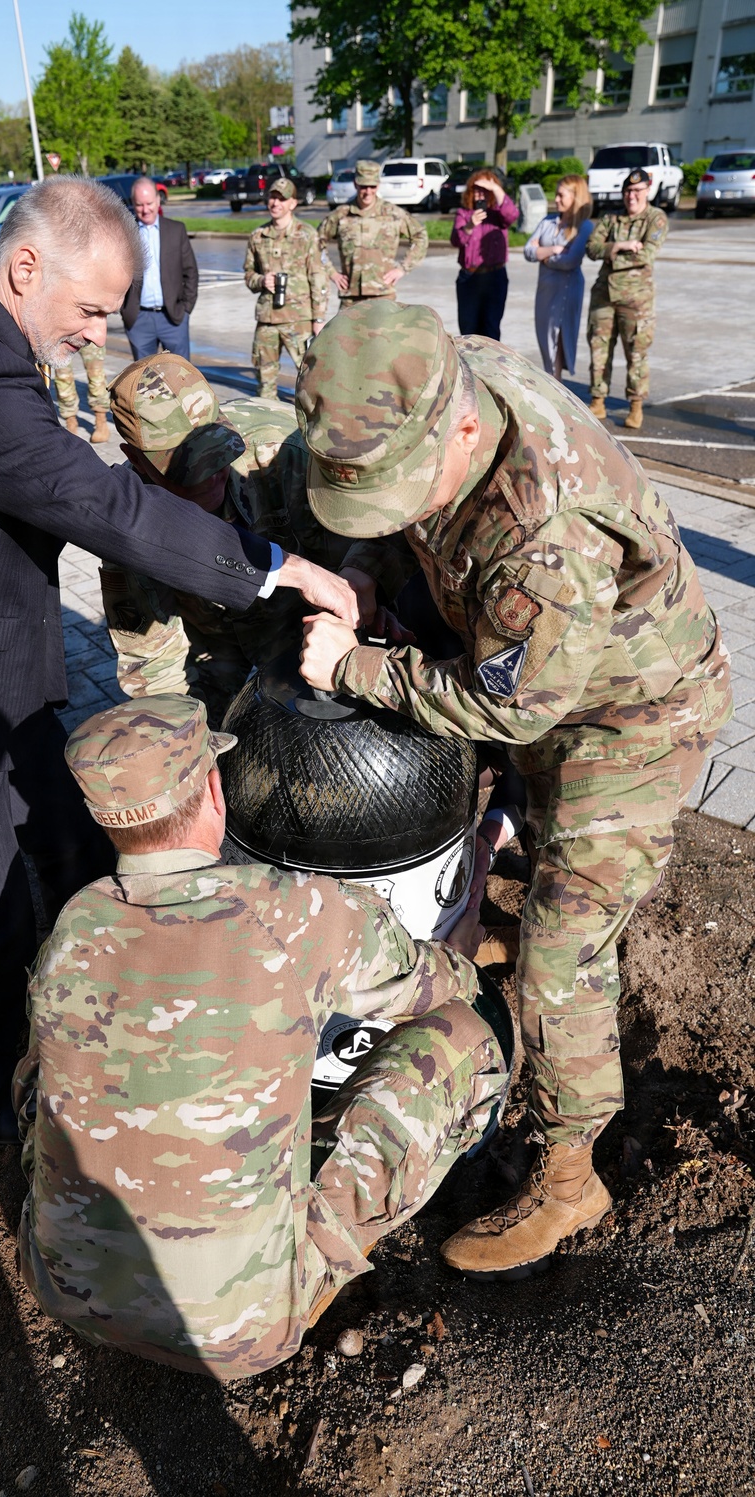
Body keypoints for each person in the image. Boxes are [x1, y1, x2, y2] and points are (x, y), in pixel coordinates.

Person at [0, 175, 357, 1146]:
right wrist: (275, 568)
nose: (98, 336)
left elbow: (72, 489)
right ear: (26, 266)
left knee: (73, 846)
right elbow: (99, 507)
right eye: (90, 310)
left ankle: (89, 1023)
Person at [296, 301, 733, 1279]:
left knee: (562, 956)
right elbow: (419, 522)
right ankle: (528, 934)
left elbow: (514, 712)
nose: (400, 510)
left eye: (403, 491)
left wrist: (355, 670)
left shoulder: (544, 533)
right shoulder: (450, 370)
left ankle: (572, 1178)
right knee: (533, 854)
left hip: (630, 716)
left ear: (458, 429)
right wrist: (370, 572)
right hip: (551, 670)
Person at [13, 694, 510, 1378]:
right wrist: (462, 959)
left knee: (45, 1057)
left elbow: (36, 1078)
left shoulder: (75, 925)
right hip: (242, 1335)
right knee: (461, 1036)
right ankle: (424, 1179)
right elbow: (426, 988)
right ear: (217, 790)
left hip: (65, 1289)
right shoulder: (293, 910)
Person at [101, 352, 349, 726]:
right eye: (187, 470)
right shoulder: (126, 516)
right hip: (210, 641)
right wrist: (188, 747)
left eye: (218, 455)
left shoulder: (283, 452)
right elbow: (153, 662)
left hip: (297, 622)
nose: (210, 476)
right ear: (136, 460)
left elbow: (347, 566)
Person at [585, 167, 669, 431]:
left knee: (636, 352)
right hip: (604, 296)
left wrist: (608, 254)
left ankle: (635, 405)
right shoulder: (611, 219)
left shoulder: (656, 218)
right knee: (599, 349)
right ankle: (598, 399)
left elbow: (646, 255)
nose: (631, 196)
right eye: (627, 191)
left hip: (636, 299)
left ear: (647, 191)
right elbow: (591, 248)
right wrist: (619, 246)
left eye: (636, 191)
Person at [243, 179, 327, 399]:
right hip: (267, 320)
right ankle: (267, 424)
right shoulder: (258, 236)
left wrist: (319, 319)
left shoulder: (306, 234)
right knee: (264, 382)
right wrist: (261, 281)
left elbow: (318, 276)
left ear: (293, 203)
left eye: (282, 198)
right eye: (272, 197)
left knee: (310, 378)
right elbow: (248, 275)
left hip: (298, 319)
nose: (275, 203)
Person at [318, 160, 427, 304]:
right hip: (351, 296)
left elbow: (420, 235)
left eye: (372, 186)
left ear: (378, 185)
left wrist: (402, 268)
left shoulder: (393, 214)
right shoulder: (341, 214)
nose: (368, 192)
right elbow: (315, 242)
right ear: (355, 184)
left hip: (383, 295)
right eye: (363, 186)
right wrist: (332, 273)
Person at [523, 175, 594, 379]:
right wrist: (554, 249)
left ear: (575, 197)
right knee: (545, 338)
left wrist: (543, 255)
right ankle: (553, 381)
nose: (556, 199)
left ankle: (556, 387)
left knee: (560, 339)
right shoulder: (547, 221)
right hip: (545, 290)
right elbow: (528, 251)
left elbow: (571, 260)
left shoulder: (584, 226)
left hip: (567, 291)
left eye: (561, 195)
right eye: (556, 194)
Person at [120, 177, 198, 360]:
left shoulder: (176, 230)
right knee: (145, 383)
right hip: (139, 320)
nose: (145, 210)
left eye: (149, 203)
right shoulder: (124, 233)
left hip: (173, 318)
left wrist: (186, 308)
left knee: (180, 379)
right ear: (133, 203)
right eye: (139, 205)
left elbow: (191, 272)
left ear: (157, 200)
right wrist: (125, 309)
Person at [451, 169, 520, 340]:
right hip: (470, 277)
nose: (481, 194)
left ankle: (491, 367)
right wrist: (469, 226)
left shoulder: (499, 214)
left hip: (494, 276)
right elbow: (455, 240)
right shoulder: (464, 213)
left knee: (491, 329)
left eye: (486, 190)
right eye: (477, 189)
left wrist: (496, 188)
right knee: (468, 329)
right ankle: (469, 366)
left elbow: (512, 215)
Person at [52, 343, 110, 445]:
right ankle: (71, 423)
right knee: (63, 378)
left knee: (96, 374)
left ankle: (101, 422)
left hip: (89, 330)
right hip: (61, 333)